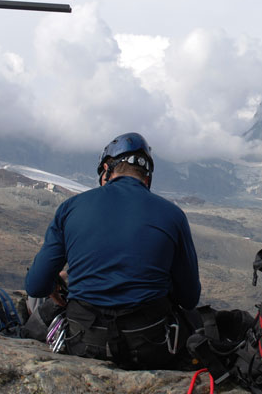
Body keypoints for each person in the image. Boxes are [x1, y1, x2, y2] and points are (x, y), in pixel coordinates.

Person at [25, 132, 201, 369]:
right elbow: (189, 298)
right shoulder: (173, 215)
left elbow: (35, 286)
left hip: (83, 340)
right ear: (146, 179)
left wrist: (58, 282)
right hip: (151, 345)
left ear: (106, 170)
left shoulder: (71, 207)